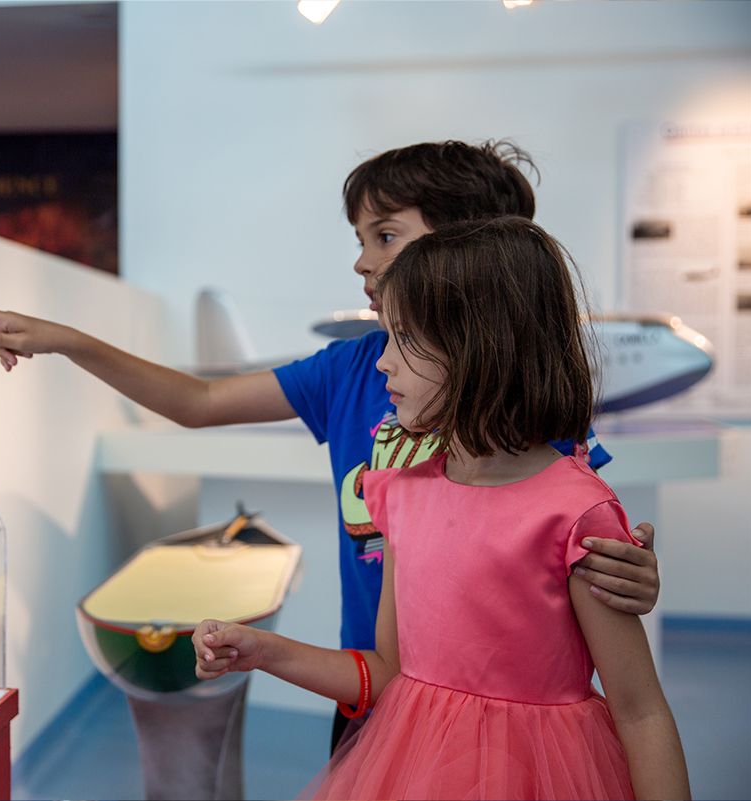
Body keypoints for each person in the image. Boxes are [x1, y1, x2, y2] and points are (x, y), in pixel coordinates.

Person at [0, 140, 661, 751]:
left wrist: (633, 570)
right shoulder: (353, 366)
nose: (360, 261)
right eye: (359, 238)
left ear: (466, 247)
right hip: (371, 677)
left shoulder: (523, 407)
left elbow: (581, 535)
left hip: (502, 707)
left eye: (383, 235)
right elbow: (197, 402)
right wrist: (71, 342)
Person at [192, 216, 689, 799]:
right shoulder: (401, 494)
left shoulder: (576, 514)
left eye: (403, 340)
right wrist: (264, 651)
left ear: (478, 349)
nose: (383, 363)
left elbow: (640, 712)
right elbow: (387, 674)